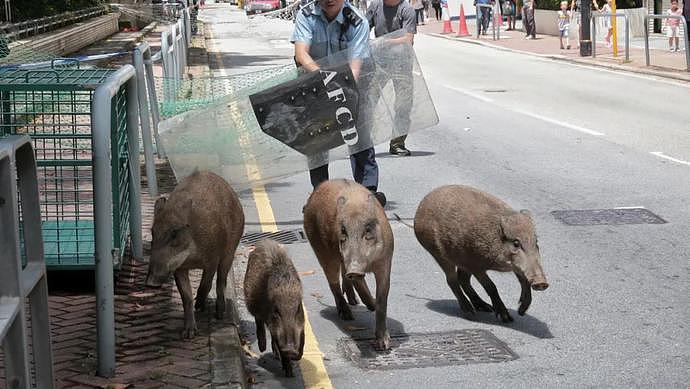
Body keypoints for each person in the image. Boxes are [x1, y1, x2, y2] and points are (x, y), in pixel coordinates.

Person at [292, 0, 387, 205]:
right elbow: (301, 54)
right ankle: (320, 194)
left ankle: (367, 190)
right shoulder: (306, 15)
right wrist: (325, 78)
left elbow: (355, 66)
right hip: (314, 79)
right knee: (316, 137)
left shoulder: (357, 21)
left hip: (353, 80)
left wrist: (340, 88)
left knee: (358, 133)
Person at [366, 0, 417, 157]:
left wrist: (384, 41)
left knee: (403, 104)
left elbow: (408, 39)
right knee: (368, 101)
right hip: (379, 63)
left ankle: (397, 143)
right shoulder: (375, 6)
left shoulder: (407, 9)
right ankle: (363, 143)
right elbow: (361, 29)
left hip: (402, 64)